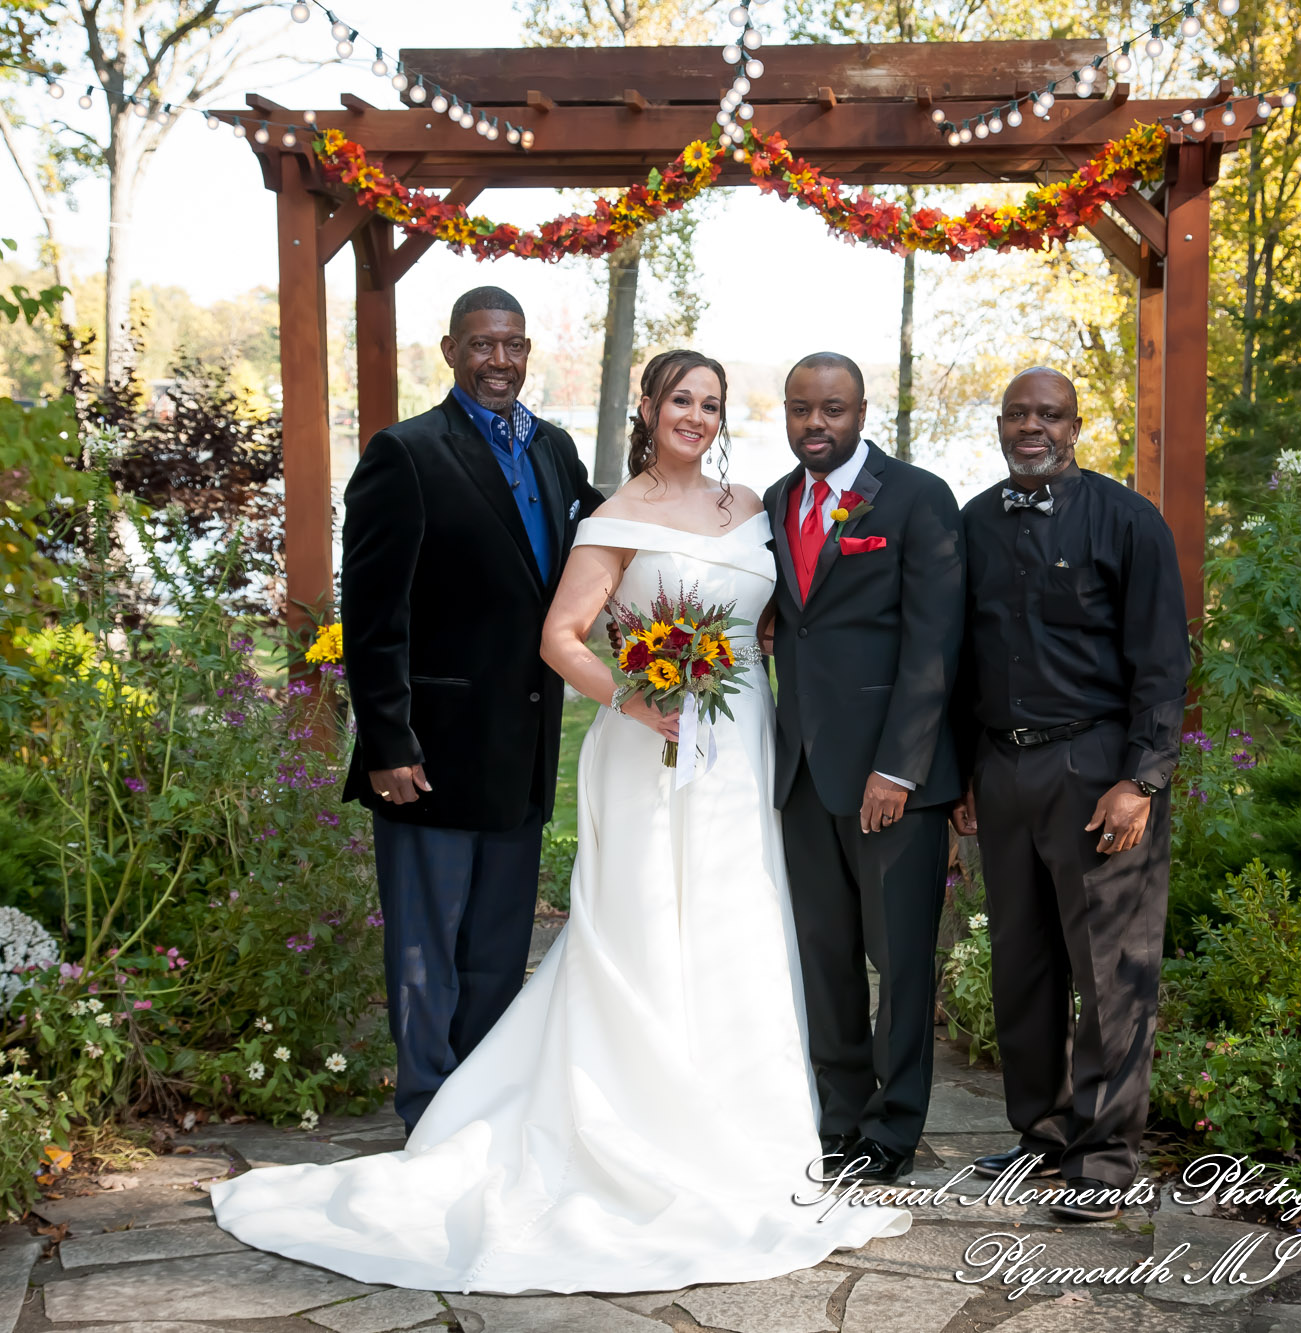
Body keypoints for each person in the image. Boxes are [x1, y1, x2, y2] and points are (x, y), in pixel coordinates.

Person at [210, 349, 908, 1294]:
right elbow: (559, 636)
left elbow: (780, 614)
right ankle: (633, 1120)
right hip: (648, 739)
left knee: (737, 921)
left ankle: (745, 1123)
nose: (695, 417)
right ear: (650, 409)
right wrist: (633, 695)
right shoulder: (611, 515)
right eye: (680, 401)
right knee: (646, 927)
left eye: (710, 403)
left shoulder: (750, 507)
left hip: (740, 749)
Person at [334, 285, 604, 1134]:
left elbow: (610, 538)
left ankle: (480, 1115)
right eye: (483, 345)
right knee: (427, 955)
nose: (500, 361)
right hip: (430, 752)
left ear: (528, 353)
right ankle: (426, 1117)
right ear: (450, 351)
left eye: (514, 345)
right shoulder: (405, 453)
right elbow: (373, 614)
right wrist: (387, 737)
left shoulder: (555, 451)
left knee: (495, 953)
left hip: (522, 750)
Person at [951, 366, 1189, 1221]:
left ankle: (1109, 1155)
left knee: (1113, 968)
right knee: (1022, 963)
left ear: (1076, 425)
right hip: (1004, 771)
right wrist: (963, 773)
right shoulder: (973, 523)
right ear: (1000, 422)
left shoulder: (1128, 520)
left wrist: (1142, 777)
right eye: (1016, 412)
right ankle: (1042, 1132)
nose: (1030, 426)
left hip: (1097, 773)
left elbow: (1163, 659)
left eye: (1047, 413)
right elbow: (959, 662)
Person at [762, 353, 965, 1186]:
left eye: (833, 408)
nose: (817, 422)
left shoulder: (917, 498)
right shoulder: (776, 502)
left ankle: (894, 1125)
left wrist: (900, 769)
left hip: (892, 780)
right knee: (827, 957)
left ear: (861, 411)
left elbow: (934, 643)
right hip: (803, 772)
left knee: (901, 958)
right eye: (802, 408)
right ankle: (839, 1117)